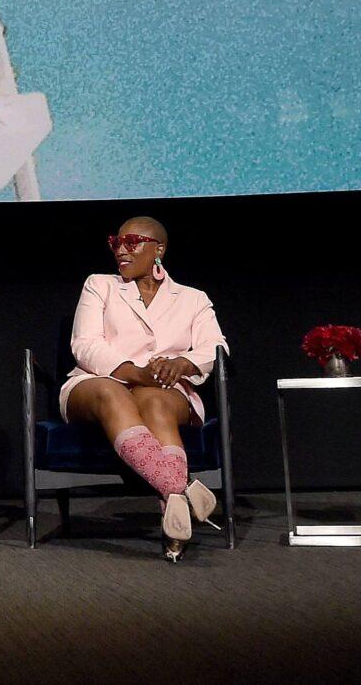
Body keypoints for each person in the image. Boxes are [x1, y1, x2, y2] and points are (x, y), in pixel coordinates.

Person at [56, 216, 225, 554]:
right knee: (111, 391)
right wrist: (135, 372)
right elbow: (85, 344)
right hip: (97, 382)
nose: (121, 249)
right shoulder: (99, 285)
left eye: (132, 242)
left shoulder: (192, 298)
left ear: (158, 249)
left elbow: (215, 347)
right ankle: (179, 485)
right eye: (116, 242)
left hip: (165, 389)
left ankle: (174, 509)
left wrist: (181, 363)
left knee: (156, 401)